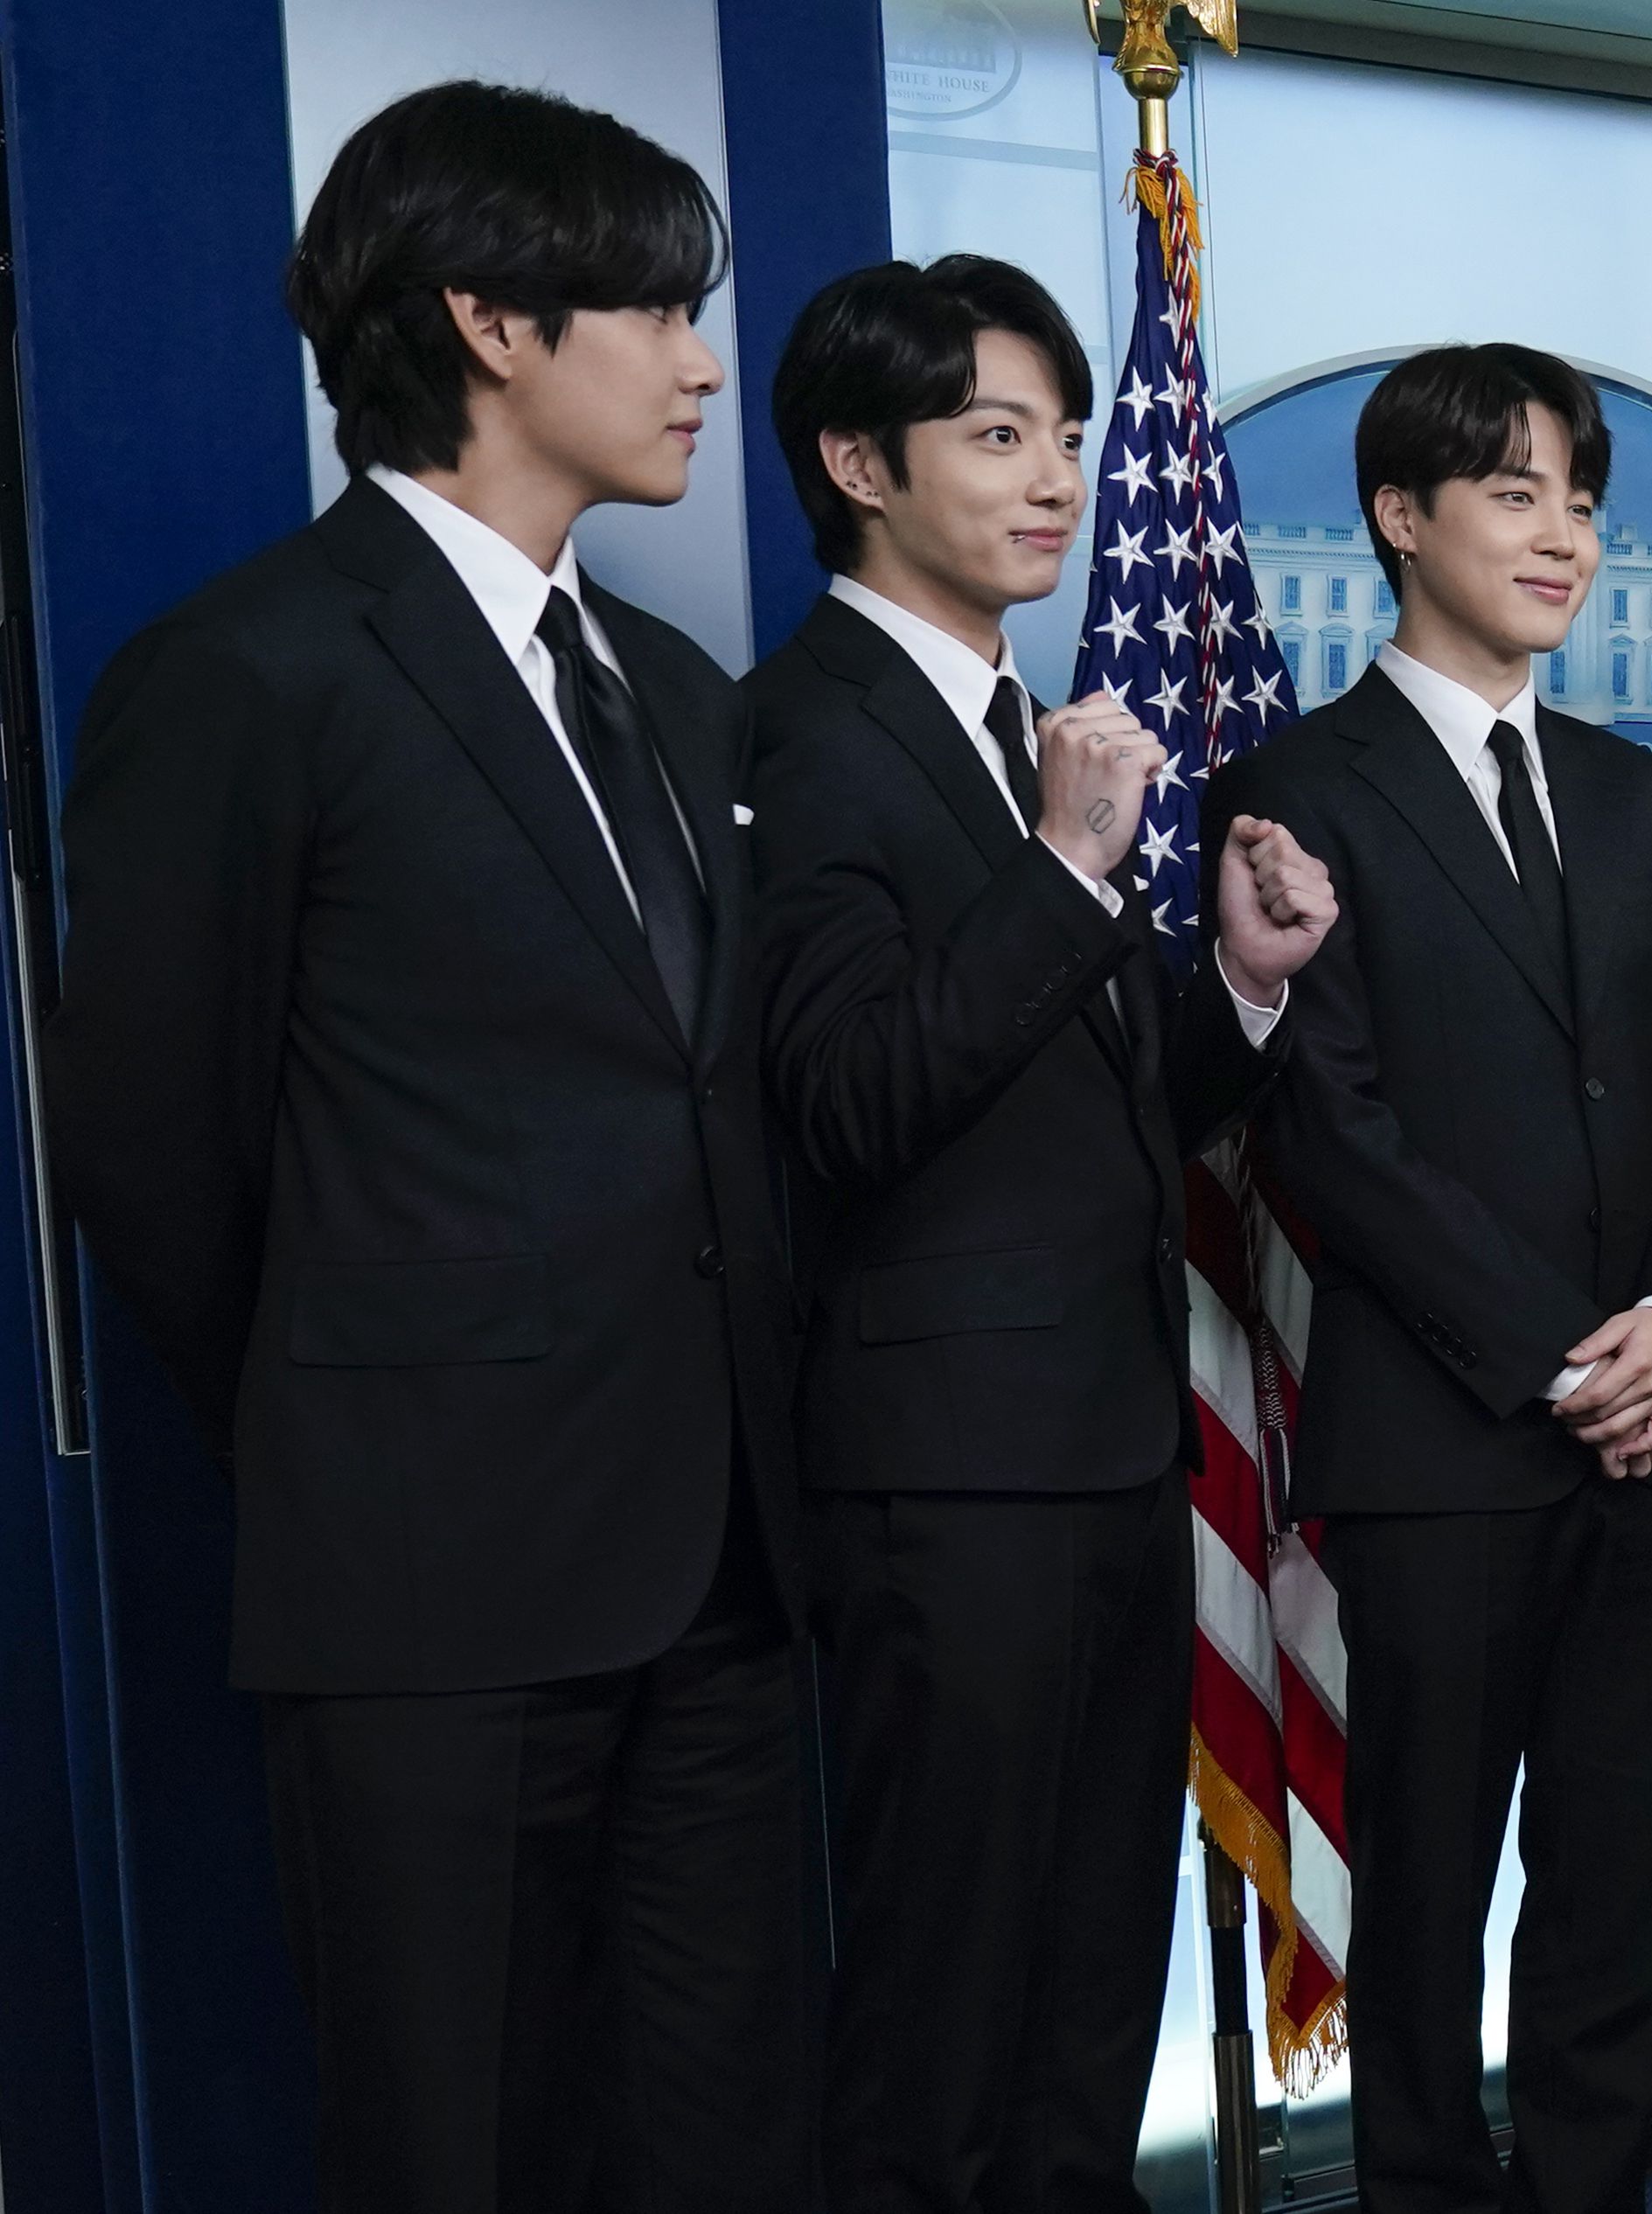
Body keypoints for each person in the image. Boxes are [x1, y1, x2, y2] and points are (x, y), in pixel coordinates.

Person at [45, 82, 808, 2208]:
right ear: (486, 318)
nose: (695, 356)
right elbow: (155, 1154)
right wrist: (356, 1426)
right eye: (651, 304)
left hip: (725, 1574)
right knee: (455, 2144)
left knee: (729, 2133)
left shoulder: (671, 684)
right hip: (429, 1589)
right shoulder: (249, 670)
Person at [746, 254, 1335, 2212]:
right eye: (997, 435)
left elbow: (1097, 1116)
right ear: (855, 459)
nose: (1056, 479)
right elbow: (852, 1102)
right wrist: (1075, 869)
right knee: (945, 2003)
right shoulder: (807, 732)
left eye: (1070, 437)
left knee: (1096, 1990)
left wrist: (1235, 995)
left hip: (1103, 1453)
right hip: (943, 1481)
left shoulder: (1019, 725)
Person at [1199, 344, 1652, 2214]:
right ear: (1400, 517)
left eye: (1582, 500)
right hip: (1443, 1441)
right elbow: (1328, 1134)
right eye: (1516, 491)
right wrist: (1558, 1358)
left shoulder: (1640, 797)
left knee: (1619, 1886)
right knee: (1428, 1899)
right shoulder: (1297, 784)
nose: (1565, 537)